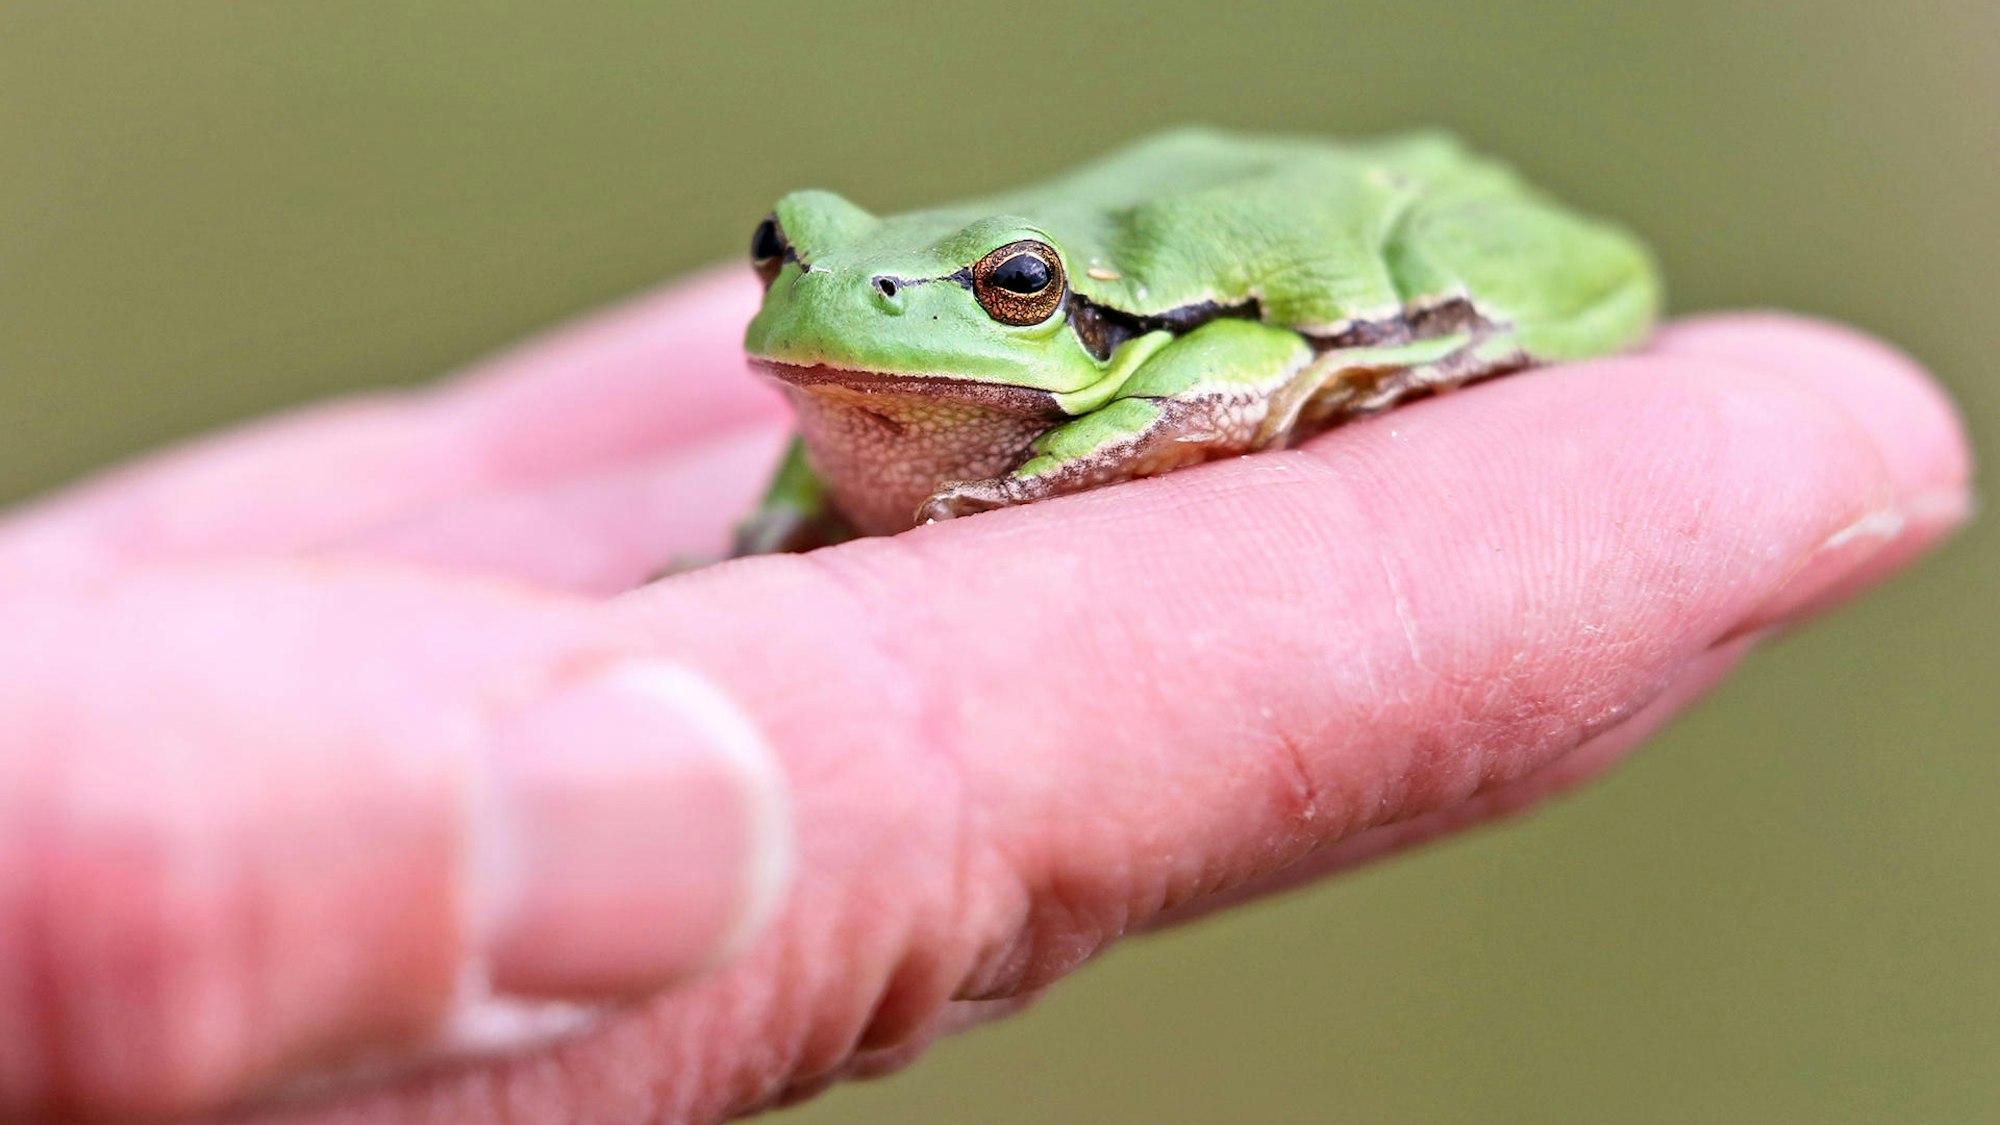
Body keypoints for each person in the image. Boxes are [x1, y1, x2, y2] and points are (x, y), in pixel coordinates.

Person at [0, 270, 1971, 1123]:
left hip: (1304, 280)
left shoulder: (1165, 328)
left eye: (1009, 296)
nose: (806, 304)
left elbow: (1205, 350)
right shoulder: (845, 381)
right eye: (785, 259)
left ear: (1067, 304)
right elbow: (814, 430)